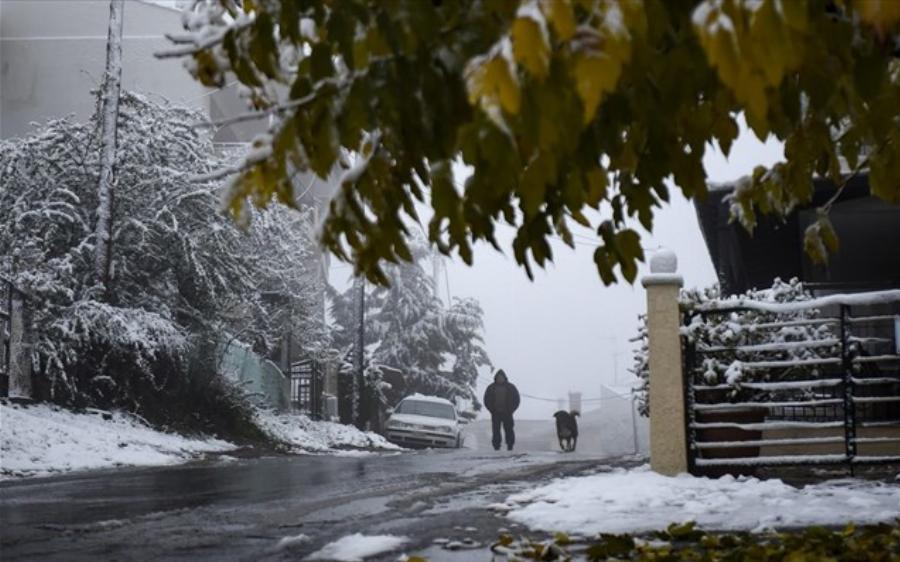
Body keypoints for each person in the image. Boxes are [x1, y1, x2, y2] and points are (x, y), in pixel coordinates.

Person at [483, 369, 520, 451]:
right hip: (496, 413)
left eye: (501, 377)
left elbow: (516, 399)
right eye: (499, 377)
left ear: (504, 378)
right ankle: (496, 446)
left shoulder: (511, 387)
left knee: (509, 429)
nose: (500, 379)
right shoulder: (491, 388)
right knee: (496, 430)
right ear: (496, 378)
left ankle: (510, 445)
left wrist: (511, 410)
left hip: (507, 413)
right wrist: (491, 409)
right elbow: (486, 399)